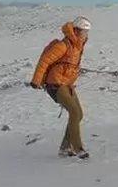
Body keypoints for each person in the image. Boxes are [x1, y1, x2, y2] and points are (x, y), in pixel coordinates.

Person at [30, 16, 91, 158]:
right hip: (55, 84)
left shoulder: (77, 46)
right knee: (75, 113)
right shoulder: (63, 45)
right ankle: (78, 148)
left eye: (87, 32)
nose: (86, 35)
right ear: (76, 30)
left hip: (67, 84)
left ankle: (64, 148)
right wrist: (36, 81)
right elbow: (45, 61)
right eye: (84, 31)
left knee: (79, 114)